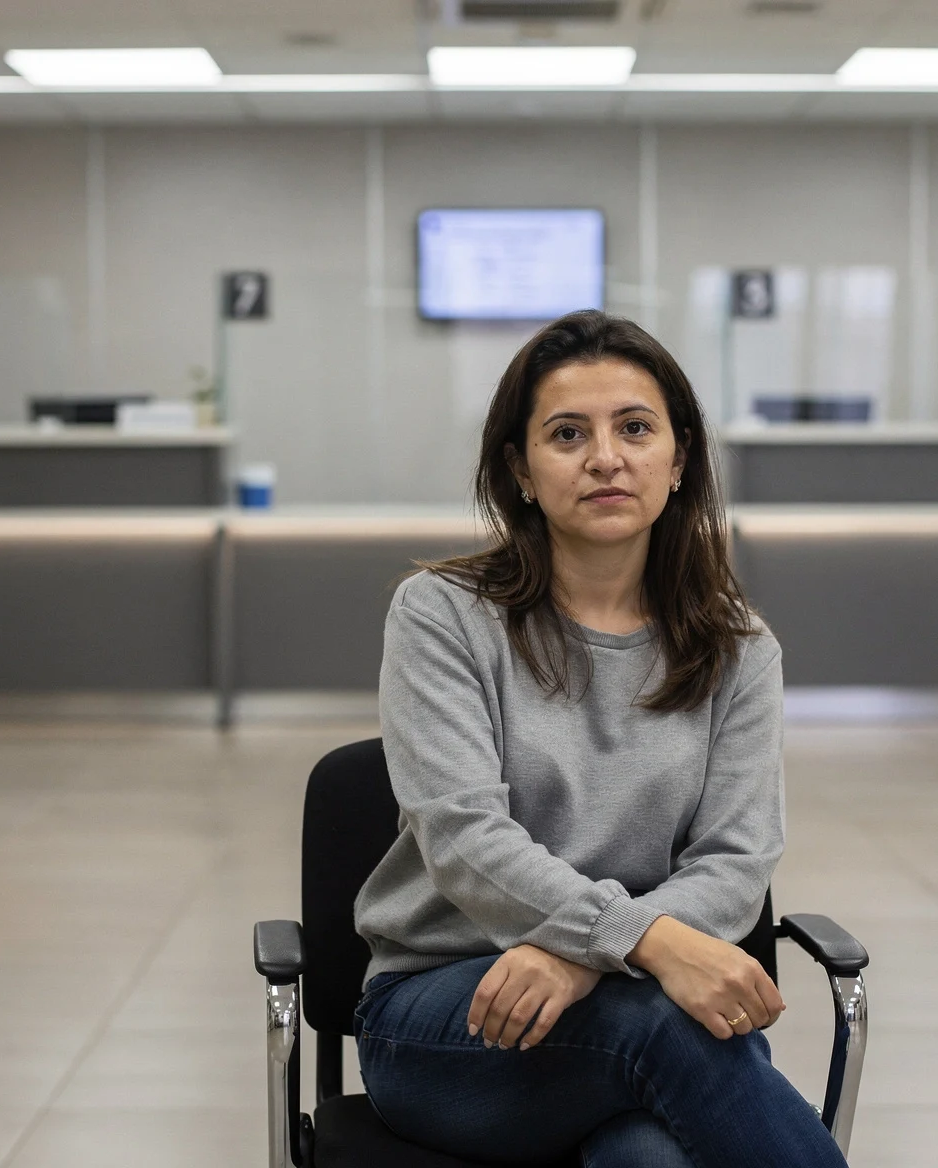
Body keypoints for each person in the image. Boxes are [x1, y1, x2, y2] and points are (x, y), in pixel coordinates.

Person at [352, 310, 848, 1168]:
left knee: (646, 1157)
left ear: (679, 458)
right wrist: (642, 942)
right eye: (568, 434)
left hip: (627, 1010)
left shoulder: (738, 649)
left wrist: (585, 954)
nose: (606, 458)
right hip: (450, 1017)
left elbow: (735, 863)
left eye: (635, 428)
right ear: (522, 470)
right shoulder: (442, 616)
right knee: (663, 1028)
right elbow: (466, 839)